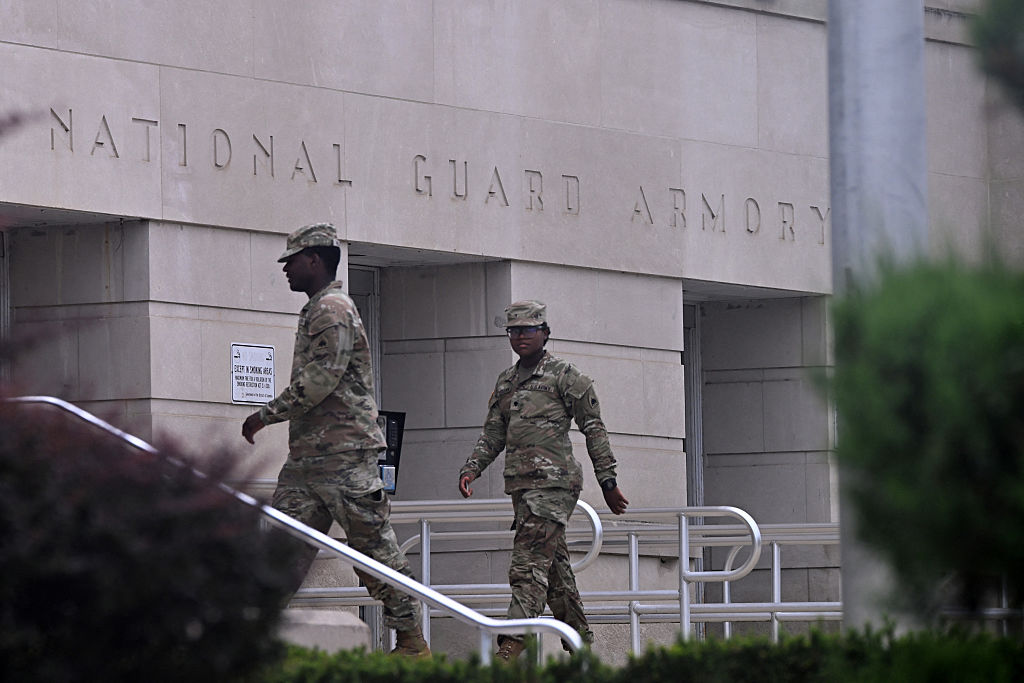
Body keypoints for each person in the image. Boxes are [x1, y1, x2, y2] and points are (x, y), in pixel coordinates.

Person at [242, 222, 429, 658]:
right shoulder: (317, 308)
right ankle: (249, 643)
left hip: (345, 456)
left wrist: (265, 415)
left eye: (292, 261)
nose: (286, 269)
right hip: (307, 461)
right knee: (281, 550)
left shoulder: (332, 308)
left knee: (373, 550)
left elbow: (322, 377)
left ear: (315, 260)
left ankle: (412, 641)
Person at [458, 300, 629, 661]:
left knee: (528, 562)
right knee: (555, 572)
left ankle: (513, 640)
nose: (520, 336)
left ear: (545, 333)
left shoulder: (565, 376)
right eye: (514, 331)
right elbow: (493, 433)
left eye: (528, 330)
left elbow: (594, 428)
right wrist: (472, 469)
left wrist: (608, 481)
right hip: (521, 486)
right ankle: (581, 646)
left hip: (554, 485)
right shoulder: (506, 382)